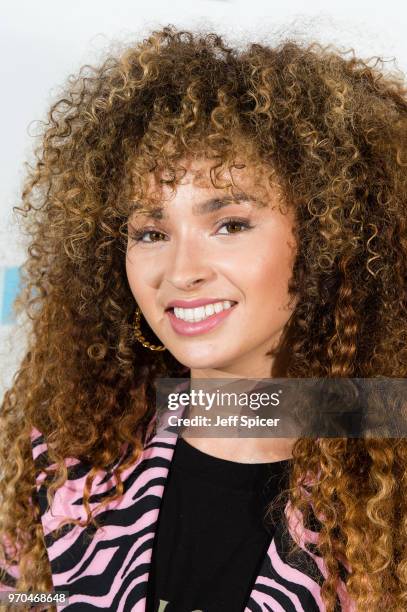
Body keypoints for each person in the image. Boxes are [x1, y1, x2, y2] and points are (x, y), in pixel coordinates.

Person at [0, 24, 406, 612]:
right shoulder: (66, 459)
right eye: (151, 232)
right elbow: (24, 599)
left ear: (327, 235)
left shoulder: (389, 479)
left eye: (230, 224)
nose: (180, 270)